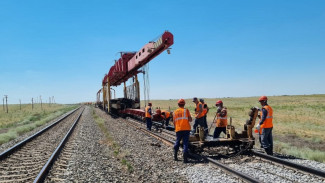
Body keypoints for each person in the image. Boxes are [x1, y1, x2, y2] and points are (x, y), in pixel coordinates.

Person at [173, 99, 192, 163]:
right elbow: (190, 120)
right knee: (185, 143)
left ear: (178, 104)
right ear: (184, 104)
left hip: (178, 129)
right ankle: (185, 158)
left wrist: (176, 128)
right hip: (186, 129)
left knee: (177, 141)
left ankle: (175, 156)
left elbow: (174, 121)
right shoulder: (186, 110)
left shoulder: (175, 112)